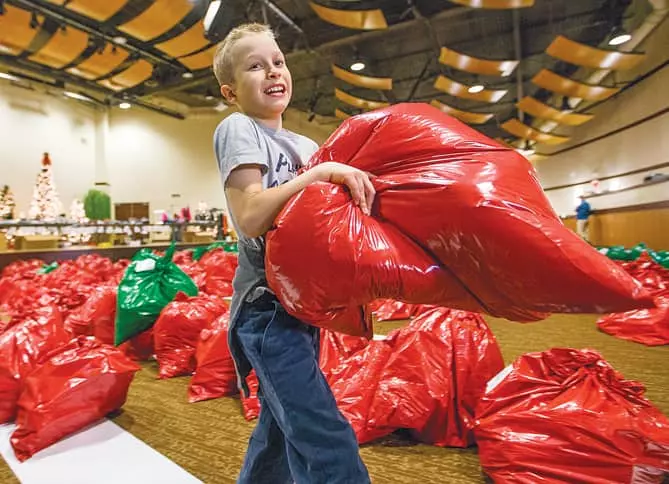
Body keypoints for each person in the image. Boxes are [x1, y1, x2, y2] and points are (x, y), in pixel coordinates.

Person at [212, 23, 373, 484]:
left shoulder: (304, 146)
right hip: (265, 313)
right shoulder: (238, 127)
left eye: (278, 62)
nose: (272, 71)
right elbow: (251, 215)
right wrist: (319, 173)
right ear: (230, 91)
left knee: (281, 431)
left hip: (302, 309)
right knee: (324, 436)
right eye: (255, 66)